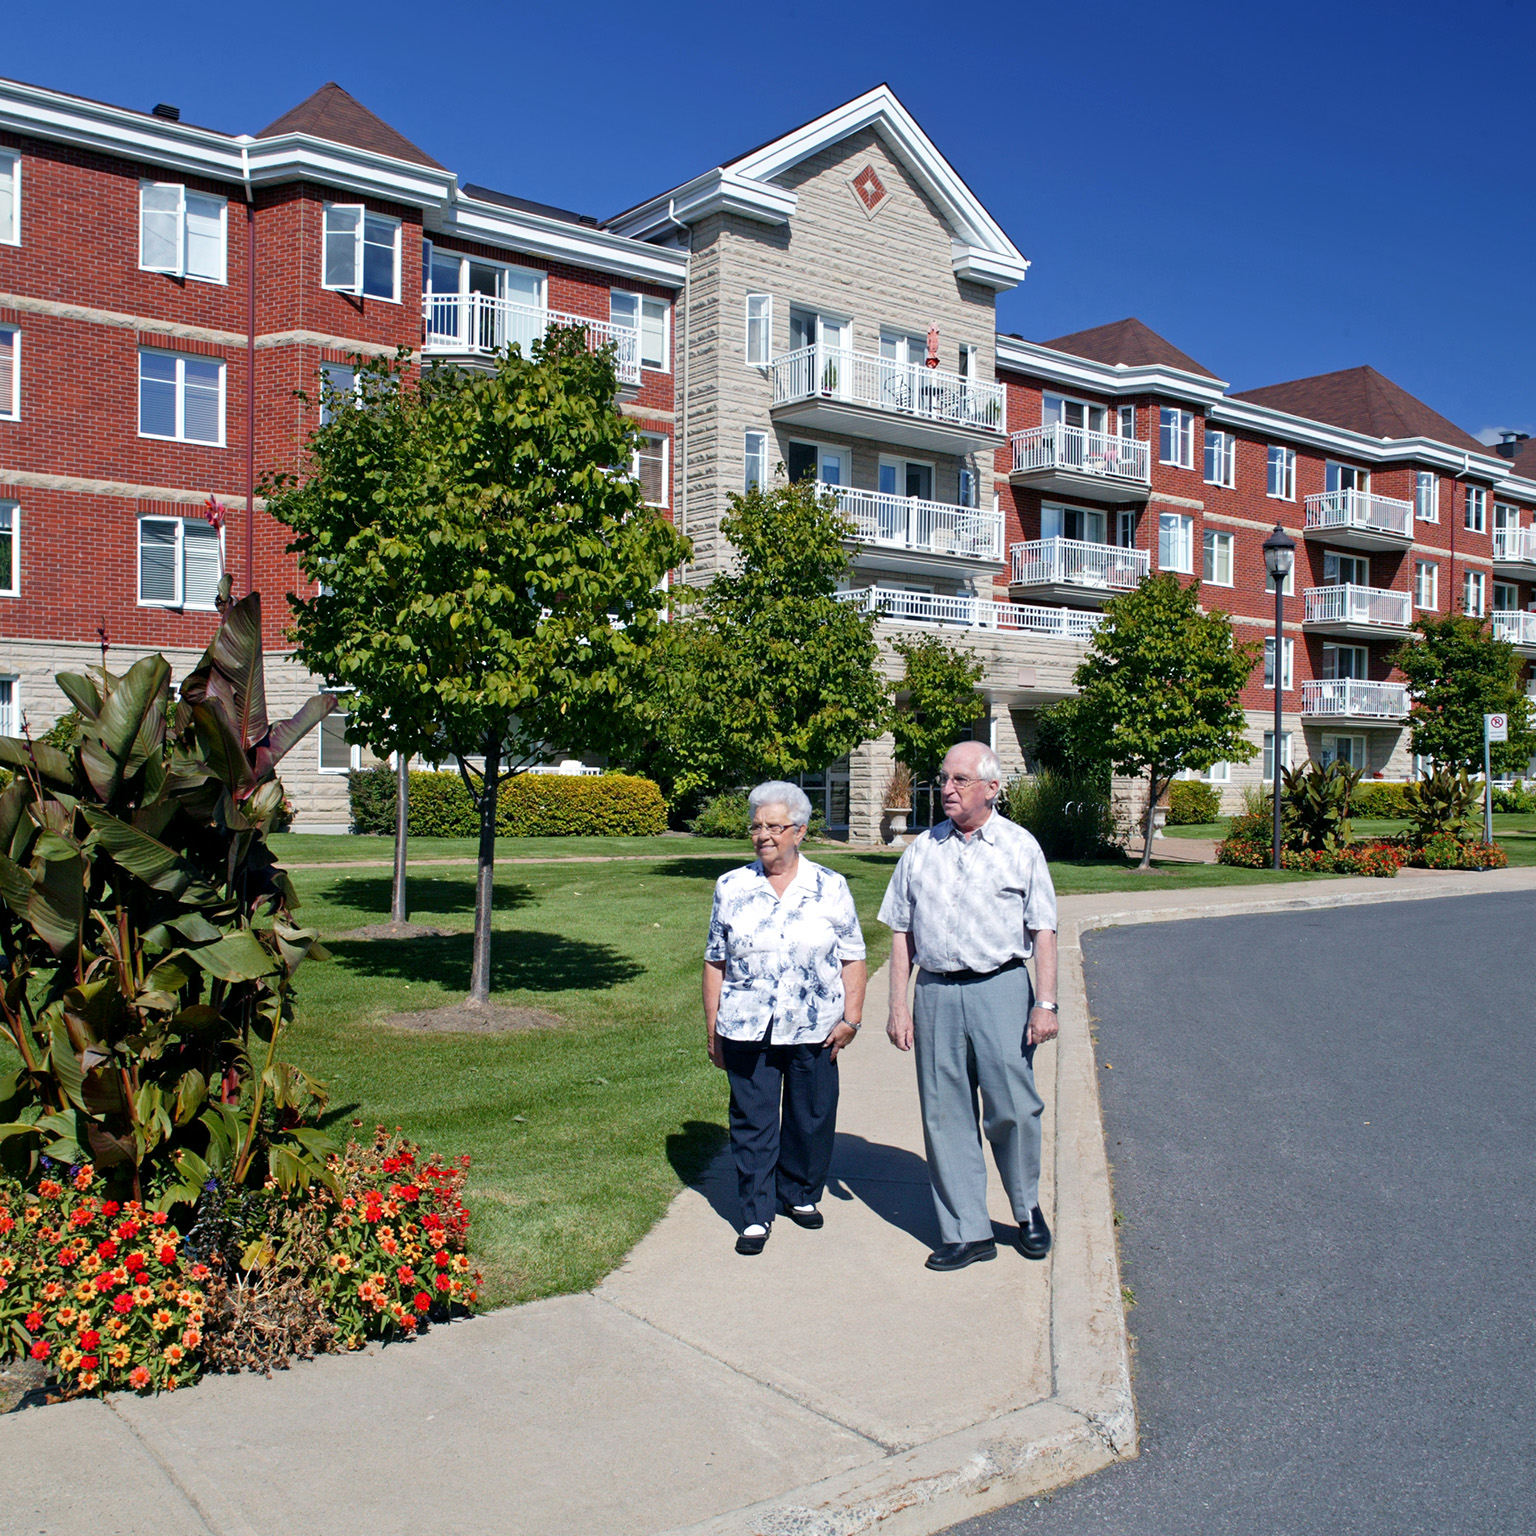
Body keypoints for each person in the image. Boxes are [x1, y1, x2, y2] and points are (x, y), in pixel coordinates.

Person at [877, 741, 1059, 1272]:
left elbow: (1043, 929)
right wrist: (898, 1006)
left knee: (1014, 1109)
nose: (947, 788)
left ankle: (1026, 1211)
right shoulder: (921, 850)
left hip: (1000, 988)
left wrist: (1044, 1004)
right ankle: (966, 1231)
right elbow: (901, 933)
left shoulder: (1021, 847)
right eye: (943, 778)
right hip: (935, 992)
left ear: (991, 788)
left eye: (960, 779)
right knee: (943, 1112)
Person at [703, 781, 867, 1256]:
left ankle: (799, 1194)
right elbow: (716, 960)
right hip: (746, 1024)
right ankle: (755, 1212)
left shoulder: (830, 887)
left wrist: (851, 1018)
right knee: (752, 1120)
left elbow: (853, 956)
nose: (763, 835)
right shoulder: (732, 886)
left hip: (815, 1024)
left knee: (810, 1117)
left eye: (774, 826)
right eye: (756, 826)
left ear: (799, 831)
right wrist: (712, 1029)